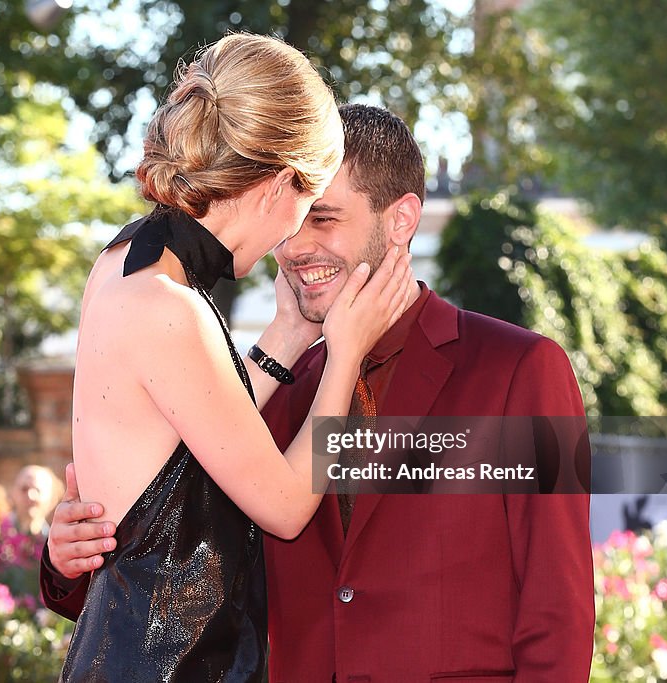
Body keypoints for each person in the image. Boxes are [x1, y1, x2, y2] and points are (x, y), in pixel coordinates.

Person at [42, 104, 596, 682]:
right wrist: (70, 559)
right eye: (293, 219)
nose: (295, 245)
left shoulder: (525, 369)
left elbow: (558, 604)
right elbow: (173, 584)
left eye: (324, 218)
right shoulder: (274, 391)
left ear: (402, 219)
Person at [57, 34, 411, 683]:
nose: (294, 236)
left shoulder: (126, 261)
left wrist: (286, 336)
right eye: (307, 204)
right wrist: (345, 353)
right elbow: (281, 502)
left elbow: (190, 435)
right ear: (279, 184)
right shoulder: (170, 305)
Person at [9, 465, 64, 537]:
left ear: (52, 500)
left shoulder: (56, 543)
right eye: (24, 489)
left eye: (37, 490)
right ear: (13, 493)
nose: (30, 496)